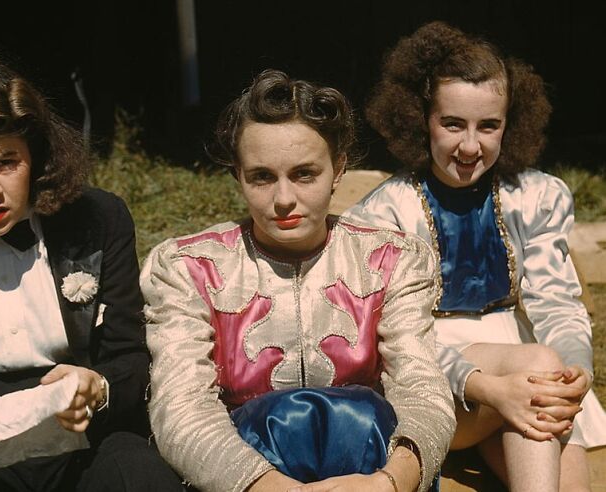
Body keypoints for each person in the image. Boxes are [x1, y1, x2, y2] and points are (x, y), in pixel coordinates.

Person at [140, 69, 455, 492]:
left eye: (305, 174)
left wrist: (389, 482)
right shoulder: (189, 267)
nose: (284, 198)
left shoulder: (392, 259)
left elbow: (423, 390)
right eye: (262, 177)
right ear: (238, 176)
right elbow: (180, 407)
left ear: (338, 169)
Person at [344, 21, 606, 492]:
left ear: (511, 123)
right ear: (420, 119)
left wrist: (576, 366)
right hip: (432, 375)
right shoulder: (386, 214)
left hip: (528, 374)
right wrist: (489, 387)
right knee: (537, 369)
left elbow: (556, 303)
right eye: (452, 124)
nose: (470, 146)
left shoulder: (535, 197)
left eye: (489, 126)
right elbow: (394, 342)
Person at [0, 57, 183, 491]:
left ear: (36, 155)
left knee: (142, 480)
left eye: (5, 163)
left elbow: (131, 354)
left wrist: (100, 388)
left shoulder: (97, 218)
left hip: (88, 436)